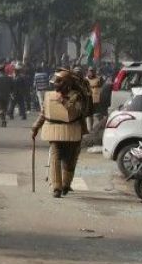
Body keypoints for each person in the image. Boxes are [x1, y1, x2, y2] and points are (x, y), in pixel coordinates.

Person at [32, 69, 96, 197]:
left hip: (73, 131)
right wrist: (35, 127)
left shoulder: (77, 96)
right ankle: (56, 187)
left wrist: (63, 101)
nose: (56, 84)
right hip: (55, 131)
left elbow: (76, 110)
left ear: (66, 83)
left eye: (58, 82)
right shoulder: (51, 96)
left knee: (70, 160)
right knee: (55, 157)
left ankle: (66, 184)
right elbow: (44, 113)